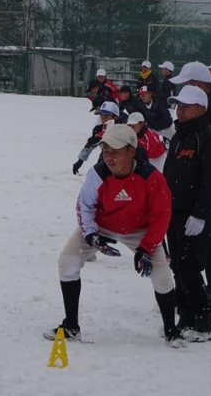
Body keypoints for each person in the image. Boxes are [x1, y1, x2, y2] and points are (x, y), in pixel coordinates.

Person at [45, 124, 186, 348]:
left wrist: (146, 248)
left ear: (131, 151)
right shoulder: (97, 174)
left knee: (161, 275)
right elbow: (85, 206)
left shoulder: (152, 178)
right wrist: (91, 236)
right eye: (105, 152)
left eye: (115, 152)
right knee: (67, 261)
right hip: (102, 226)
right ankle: (71, 325)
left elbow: (162, 216)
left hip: (140, 230)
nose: (109, 158)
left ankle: (171, 331)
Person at [168, 61, 211, 317]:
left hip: (209, 191)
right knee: (184, 250)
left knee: (208, 240)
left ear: (198, 85)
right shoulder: (190, 115)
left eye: (186, 85)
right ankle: (186, 294)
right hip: (186, 193)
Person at [164, 85, 211, 342]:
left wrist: (200, 214)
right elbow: (169, 174)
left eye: (186, 106)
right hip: (174, 213)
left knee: (189, 268)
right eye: (179, 105)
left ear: (201, 109)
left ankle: (204, 321)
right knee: (177, 266)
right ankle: (185, 317)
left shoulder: (207, 137)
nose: (180, 110)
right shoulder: (179, 136)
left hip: (194, 217)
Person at [72, 101, 120, 175]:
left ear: (115, 117)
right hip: (105, 156)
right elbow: (91, 143)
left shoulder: (124, 129)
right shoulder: (98, 129)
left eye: (106, 116)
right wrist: (80, 160)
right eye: (101, 116)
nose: (103, 119)